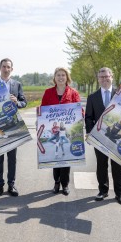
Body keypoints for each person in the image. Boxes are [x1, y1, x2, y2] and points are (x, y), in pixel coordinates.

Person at [85, 67, 121, 205]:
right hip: (99, 137)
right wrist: (90, 133)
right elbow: (89, 117)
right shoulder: (92, 97)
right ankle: (103, 191)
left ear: (112, 77)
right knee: (101, 165)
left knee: (117, 164)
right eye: (101, 77)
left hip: (117, 136)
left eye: (106, 76)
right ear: (98, 79)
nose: (104, 79)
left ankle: (120, 193)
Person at [0, 58, 27, 198]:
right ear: (0, 68)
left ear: (12, 69)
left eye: (8, 67)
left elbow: (24, 102)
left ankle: (11, 185)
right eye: (4, 66)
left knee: (12, 157)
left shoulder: (17, 84)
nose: (6, 69)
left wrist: (17, 102)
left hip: (13, 125)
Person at [40, 67, 81, 195]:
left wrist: (79, 121)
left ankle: (65, 184)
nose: (61, 77)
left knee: (66, 157)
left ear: (67, 77)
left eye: (63, 75)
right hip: (53, 130)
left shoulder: (73, 93)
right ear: (55, 78)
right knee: (55, 157)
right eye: (58, 75)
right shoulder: (48, 92)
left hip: (66, 131)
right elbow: (43, 110)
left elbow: (79, 111)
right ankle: (56, 182)